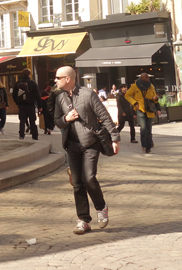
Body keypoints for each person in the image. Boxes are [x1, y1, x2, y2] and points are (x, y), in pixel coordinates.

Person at [53, 66, 120, 235]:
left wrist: (115, 138)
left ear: (67, 79)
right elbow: (57, 122)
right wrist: (65, 119)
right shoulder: (60, 98)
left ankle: (101, 207)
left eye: (58, 77)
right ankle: (83, 220)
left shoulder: (87, 94)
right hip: (71, 145)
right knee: (77, 184)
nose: (55, 80)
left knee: (89, 178)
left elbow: (104, 116)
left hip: (90, 143)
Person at [126, 73, 161, 154]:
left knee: (149, 129)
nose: (148, 78)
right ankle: (144, 145)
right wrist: (135, 103)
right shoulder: (135, 86)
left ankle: (148, 148)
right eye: (146, 77)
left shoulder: (151, 86)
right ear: (142, 78)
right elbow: (127, 95)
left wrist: (155, 99)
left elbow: (154, 98)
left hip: (149, 109)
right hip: (140, 109)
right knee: (144, 128)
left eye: (148, 77)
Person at [11, 68, 40, 140]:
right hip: (30, 105)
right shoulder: (32, 83)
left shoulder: (18, 83)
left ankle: (21, 135)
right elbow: (37, 95)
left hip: (21, 105)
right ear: (30, 74)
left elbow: (14, 94)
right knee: (32, 120)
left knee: (22, 120)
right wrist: (40, 106)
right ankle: (34, 135)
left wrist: (17, 102)